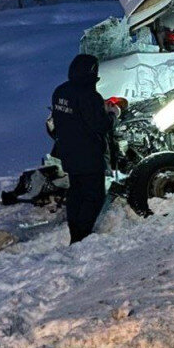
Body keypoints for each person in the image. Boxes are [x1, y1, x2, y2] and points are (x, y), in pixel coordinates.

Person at [50, 53, 118, 243]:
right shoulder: (90, 95)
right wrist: (113, 113)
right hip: (89, 155)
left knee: (76, 192)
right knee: (94, 195)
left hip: (68, 153)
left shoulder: (60, 91)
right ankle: (82, 235)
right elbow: (100, 125)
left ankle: (75, 231)